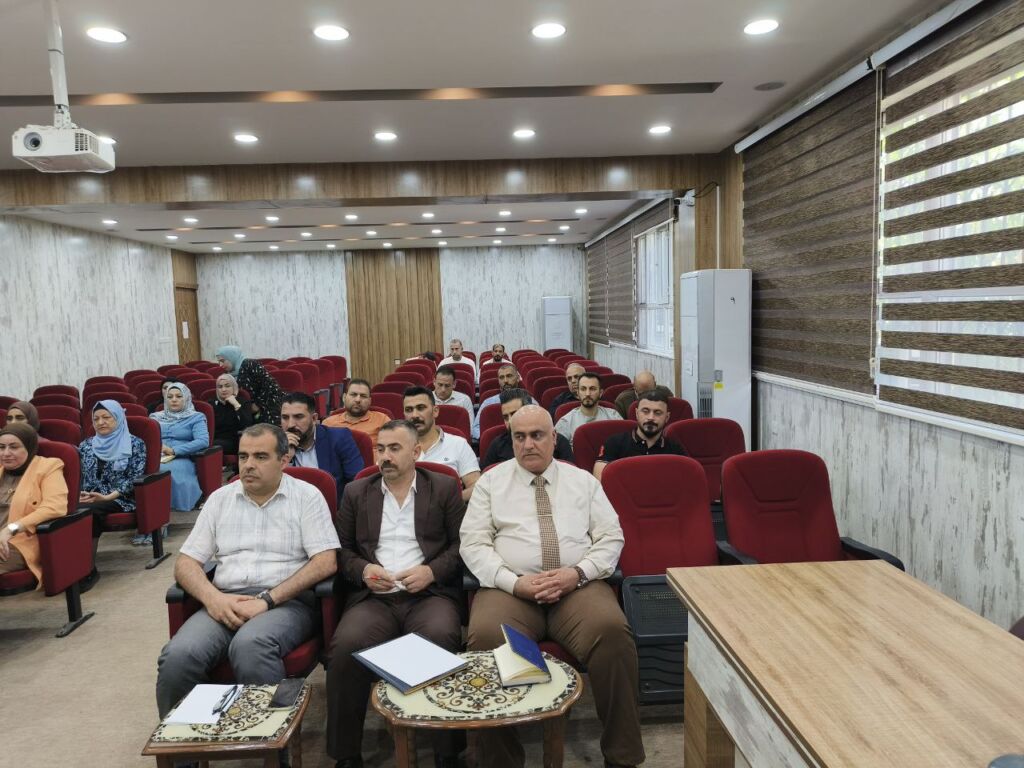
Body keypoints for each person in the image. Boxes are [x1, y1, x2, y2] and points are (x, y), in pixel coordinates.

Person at [460, 405, 643, 768]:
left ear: (554, 438)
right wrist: (515, 583)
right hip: (510, 590)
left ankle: (622, 756)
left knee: (613, 632)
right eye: (519, 436)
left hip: (576, 587)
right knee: (484, 638)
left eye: (537, 435)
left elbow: (611, 537)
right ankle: (502, 761)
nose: (528, 444)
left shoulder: (583, 481)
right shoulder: (491, 484)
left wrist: (578, 573)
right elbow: (473, 544)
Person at [155, 424, 339, 719]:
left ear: (284, 460)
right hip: (225, 600)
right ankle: (186, 744)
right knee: (178, 655)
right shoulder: (220, 499)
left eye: (260, 456)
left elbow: (325, 561)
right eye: (243, 456)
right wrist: (214, 600)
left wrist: (266, 600)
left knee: (250, 645)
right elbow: (186, 563)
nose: (249, 465)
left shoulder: (307, 496)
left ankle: (267, 739)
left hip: (285, 603)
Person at [326, 420, 466, 768]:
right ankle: (346, 754)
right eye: (380, 449)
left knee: (440, 637)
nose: (384, 457)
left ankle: (447, 751)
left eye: (394, 448)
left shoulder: (444, 487)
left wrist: (431, 571)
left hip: (429, 595)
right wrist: (364, 571)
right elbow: (341, 550)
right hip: (375, 598)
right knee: (346, 646)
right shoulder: (357, 492)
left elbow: (462, 545)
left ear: (416, 452)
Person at [79, 401, 148, 565]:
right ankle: (69, 564)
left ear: (118, 418)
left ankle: (86, 567)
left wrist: (108, 497)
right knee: (68, 511)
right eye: (96, 419)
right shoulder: (85, 445)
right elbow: (78, 476)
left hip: (121, 498)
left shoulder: (134, 443)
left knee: (89, 512)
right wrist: (79, 493)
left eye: (106, 417)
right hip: (90, 496)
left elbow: (135, 477)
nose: (100, 422)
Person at [0, 423, 69, 585]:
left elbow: (55, 507)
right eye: (1, 447)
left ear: (29, 447)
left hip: (20, 541)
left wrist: (10, 529)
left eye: (14, 447)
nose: (6, 453)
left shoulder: (48, 467)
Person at [279, 392, 364, 503]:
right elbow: (269, 487)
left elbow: (358, 483)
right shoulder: (275, 445)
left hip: (332, 508)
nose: (290, 424)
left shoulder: (339, 438)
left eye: (298, 417)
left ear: (314, 418)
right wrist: (287, 457)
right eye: (285, 417)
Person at [403, 387, 480, 501]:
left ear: (435, 411)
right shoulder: (394, 448)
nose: (414, 415)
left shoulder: (458, 444)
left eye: (421, 408)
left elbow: (476, 487)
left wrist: (449, 503)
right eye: (409, 410)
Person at [593, 390, 686, 480]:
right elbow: (599, 480)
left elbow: (685, 482)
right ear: (637, 413)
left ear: (667, 417)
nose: (651, 417)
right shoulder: (614, 443)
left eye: (658, 413)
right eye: (645, 411)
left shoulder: (675, 450)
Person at [151, 382, 209, 513]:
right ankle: (151, 509)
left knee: (164, 470)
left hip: (181, 456)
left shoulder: (196, 417)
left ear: (186, 398)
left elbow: (203, 441)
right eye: (170, 397)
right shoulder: (155, 417)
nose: (174, 400)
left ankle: (170, 508)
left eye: (178, 396)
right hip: (156, 455)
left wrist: (173, 450)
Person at [480, 389, 574, 469]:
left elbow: (569, 475)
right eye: (505, 417)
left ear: (529, 410)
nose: (510, 421)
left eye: (515, 414)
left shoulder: (557, 441)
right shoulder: (497, 445)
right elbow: (486, 477)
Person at [215, 345, 285, 425]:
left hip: (267, 408)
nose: (220, 365)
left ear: (231, 357)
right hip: (246, 413)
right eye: (219, 362)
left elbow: (271, 386)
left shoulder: (249, 364)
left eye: (222, 361)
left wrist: (257, 405)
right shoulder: (228, 374)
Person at [554, 373, 620, 444]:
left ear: (600, 393)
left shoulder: (613, 416)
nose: (587, 393)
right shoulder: (566, 422)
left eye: (592, 389)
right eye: (583, 389)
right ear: (578, 393)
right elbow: (557, 448)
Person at [322, 378, 390, 443]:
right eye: (353, 395)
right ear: (344, 398)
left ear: (370, 401)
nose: (358, 400)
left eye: (363, 396)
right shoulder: (328, 423)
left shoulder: (382, 420)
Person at [472, 363, 521, 439]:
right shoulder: (488, 403)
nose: (505, 381)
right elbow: (475, 429)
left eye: (509, 376)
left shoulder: (530, 401)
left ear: (518, 378)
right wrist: (491, 441)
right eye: (501, 377)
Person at [208, 373, 254, 456]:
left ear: (234, 387)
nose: (223, 389)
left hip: (235, 440)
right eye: (220, 387)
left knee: (211, 446)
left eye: (227, 386)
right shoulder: (211, 404)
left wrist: (236, 405)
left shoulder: (243, 402)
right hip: (214, 439)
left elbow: (247, 425)